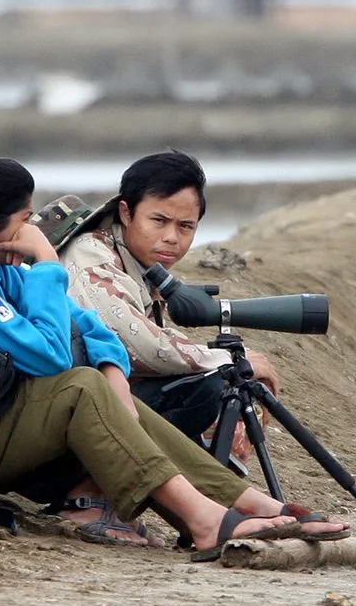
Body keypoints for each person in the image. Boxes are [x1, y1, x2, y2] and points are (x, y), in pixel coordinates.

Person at [0, 156, 346, 558]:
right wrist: (45, 262)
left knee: (97, 382)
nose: (34, 229)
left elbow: (86, 324)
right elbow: (47, 357)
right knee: (78, 386)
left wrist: (114, 372)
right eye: (25, 219)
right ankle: (205, 520)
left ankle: (244, 502)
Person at [60, 150, 279, 444]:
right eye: (159, 221)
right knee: (205, 387)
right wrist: (229, 360)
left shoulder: (137, 259)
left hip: (93, 398)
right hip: (66, 411)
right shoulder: (90, 256)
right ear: (126, 213)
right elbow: (136, 343)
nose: (172, 237)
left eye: (185, 226)